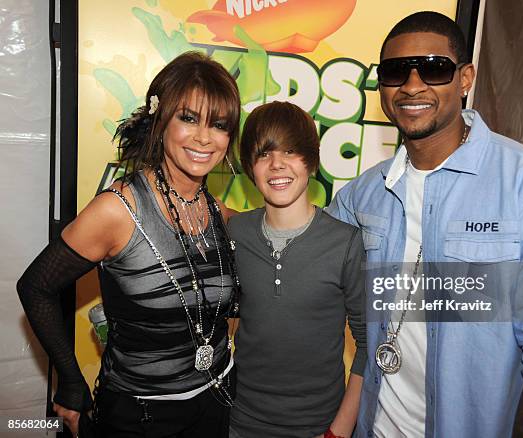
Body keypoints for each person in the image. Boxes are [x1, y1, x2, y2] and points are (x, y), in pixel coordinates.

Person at [327, 11, 523, 438]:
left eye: (434, 69)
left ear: (465, 77)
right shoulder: (362, 195)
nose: (412, 85)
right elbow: (302, 244)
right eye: (396, 71)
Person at [16, 51, 241, 437]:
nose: (205, 137)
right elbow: (35, 286)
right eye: (188, 118)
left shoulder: (220, 213)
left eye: (218, 125)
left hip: (219, 400)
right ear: (160, 121)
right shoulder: (118, 210)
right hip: (140, 417)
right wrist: (70, 382)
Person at [227, 101, 366, 438]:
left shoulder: (346, 242)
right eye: (263, 154)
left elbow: (367, 343)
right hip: (238, 420)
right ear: (249, 167)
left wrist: (339, 431)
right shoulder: (236, 233)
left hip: (318, 426)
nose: (277, 165)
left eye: (290, 151)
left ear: (312, 161)